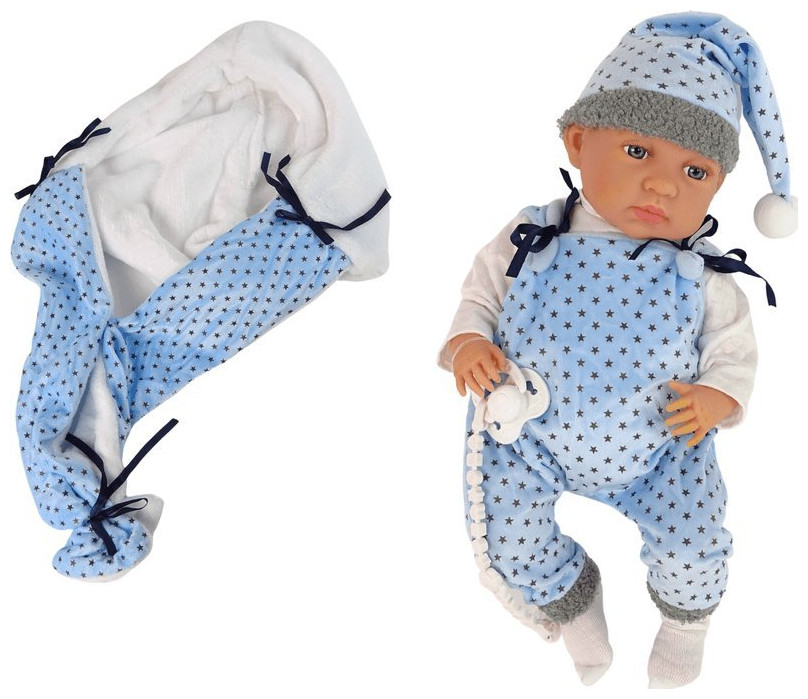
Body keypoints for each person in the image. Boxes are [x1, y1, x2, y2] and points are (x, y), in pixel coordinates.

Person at [439, 12, 795, 688]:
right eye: (638, 152)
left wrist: (718, 396)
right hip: (530, 434)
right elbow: (480, 294)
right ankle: (574, 604)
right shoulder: (532, 236)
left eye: (695, 170)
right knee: (508, 535)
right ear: (579, 141)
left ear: (717, 185)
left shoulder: (702, 274)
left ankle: (685, 625)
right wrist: (467, 341)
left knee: (694, 540)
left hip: (661, 447)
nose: (664, 185)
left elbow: (734, 350)